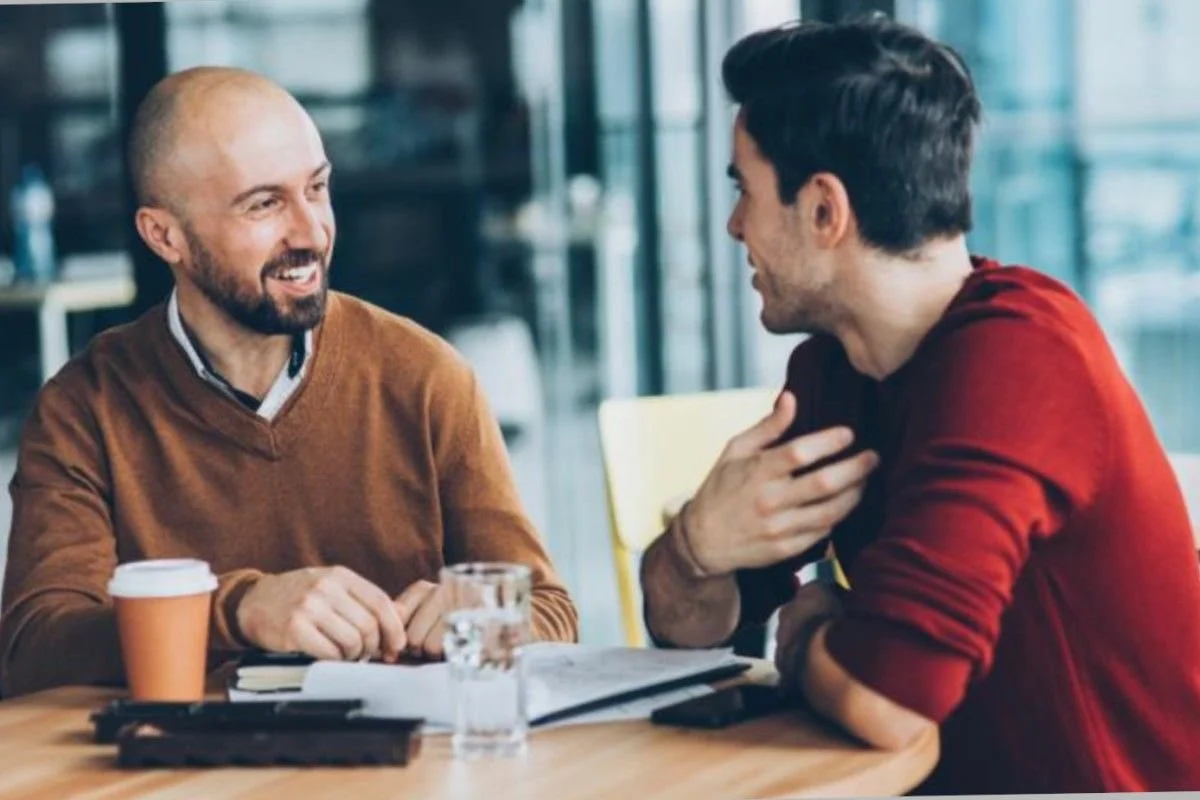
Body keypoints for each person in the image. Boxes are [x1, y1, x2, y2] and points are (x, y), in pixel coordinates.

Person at [639, 17, 1200, 794]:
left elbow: (891, 698)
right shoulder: (833, 371)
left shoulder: (1022, 354)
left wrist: (806, 639)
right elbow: (691, 633)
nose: (735, 225)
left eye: (745, 189)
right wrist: (697, 547)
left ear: (824, 211)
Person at [0, 67, 578, 698]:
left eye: (318, 188)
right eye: (264, 204)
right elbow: (35, 648)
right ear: (164, 235)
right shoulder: (86, 407)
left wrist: (480, 616)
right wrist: (240, 610)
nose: (310, 233)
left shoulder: (426, 376)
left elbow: (549, 612)